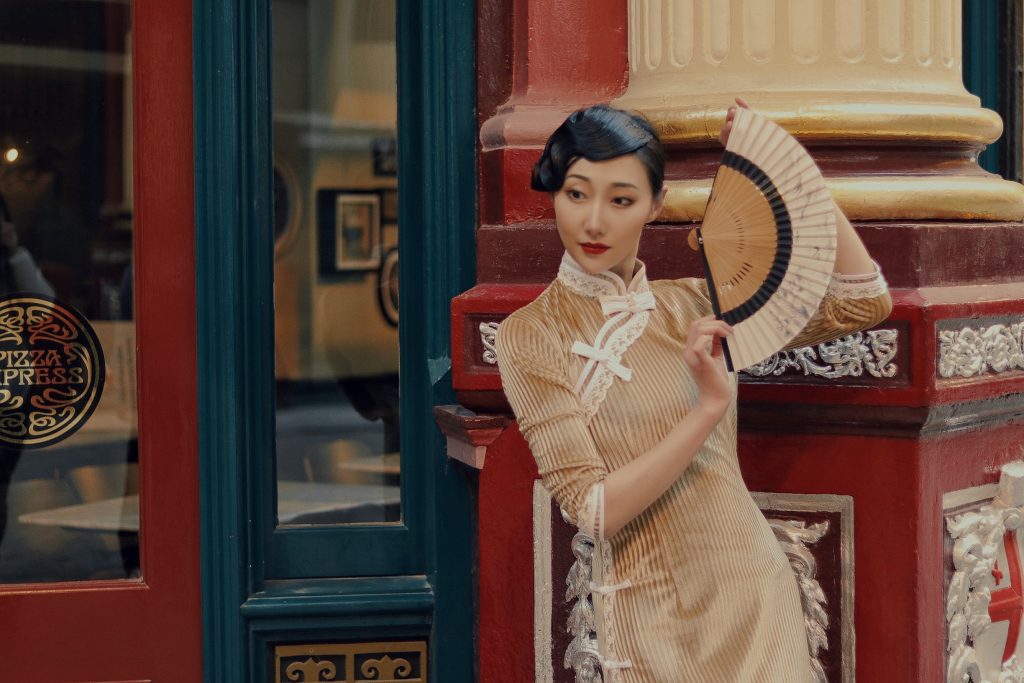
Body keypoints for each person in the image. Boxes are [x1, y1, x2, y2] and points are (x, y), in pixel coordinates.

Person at [494, 100, 892, 681]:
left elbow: (862, 301)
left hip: (756, 598)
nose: (594, 222)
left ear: (656, 205)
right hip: (653, 624)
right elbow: (593, 510)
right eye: (576, 194)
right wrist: (708, 409)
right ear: (554, 194)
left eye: (621, 200)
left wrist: (791, 168)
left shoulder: (696, 305)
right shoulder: (531, 333)